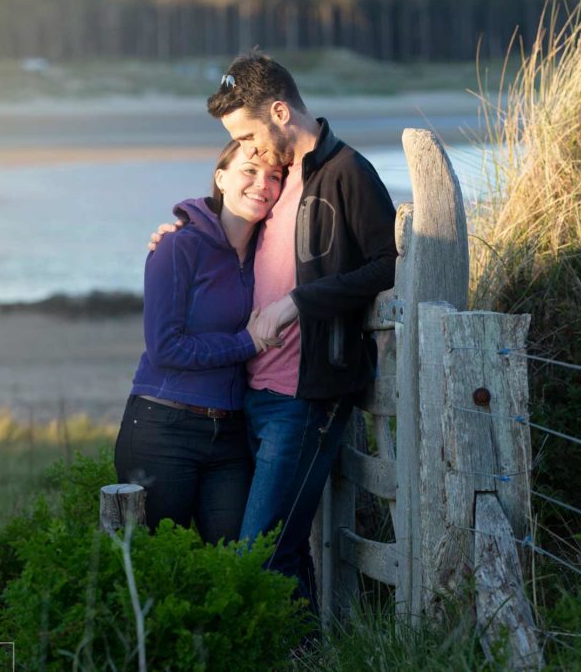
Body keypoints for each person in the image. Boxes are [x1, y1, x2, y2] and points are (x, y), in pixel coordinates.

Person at [150, 52, 397, 611]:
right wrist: (176, 233)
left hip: (308, 398)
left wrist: (297, 302)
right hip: (254, 395)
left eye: (250, 133)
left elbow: (387, 265)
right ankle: (309, 655)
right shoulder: (279, 177)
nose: (250, 150)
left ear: (281, 111)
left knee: (257, 554)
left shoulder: (347, 171)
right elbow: (230, 231)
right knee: (287, 551)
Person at [116, 140, 284, 545]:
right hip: (163, 427)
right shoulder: (178, 246)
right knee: (159, 568)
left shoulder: (271, 252)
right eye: (249, 170)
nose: (262, 183)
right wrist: (249, 343)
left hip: (229, 436)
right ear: (221, 179)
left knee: (236, 565)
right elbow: (166, 348)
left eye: (274, 176)